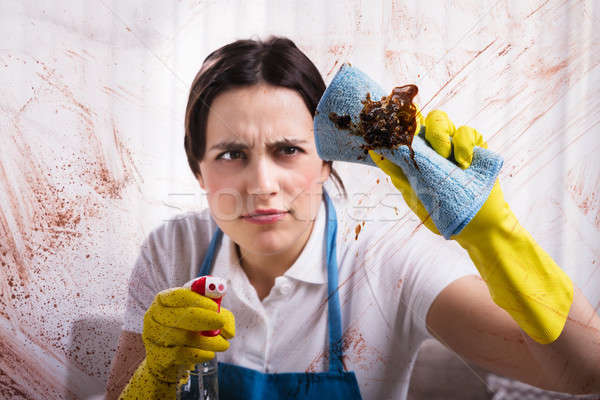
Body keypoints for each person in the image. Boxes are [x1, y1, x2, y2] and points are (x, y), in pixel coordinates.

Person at [105, 36, 600, 399]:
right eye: (231, 154)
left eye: (288, 150)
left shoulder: (390, 262)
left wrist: (494, 237)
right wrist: (155, 381)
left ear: (327, 159)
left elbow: (583, 373)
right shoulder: (172, 251)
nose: (261, 184)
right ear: (198, 168)